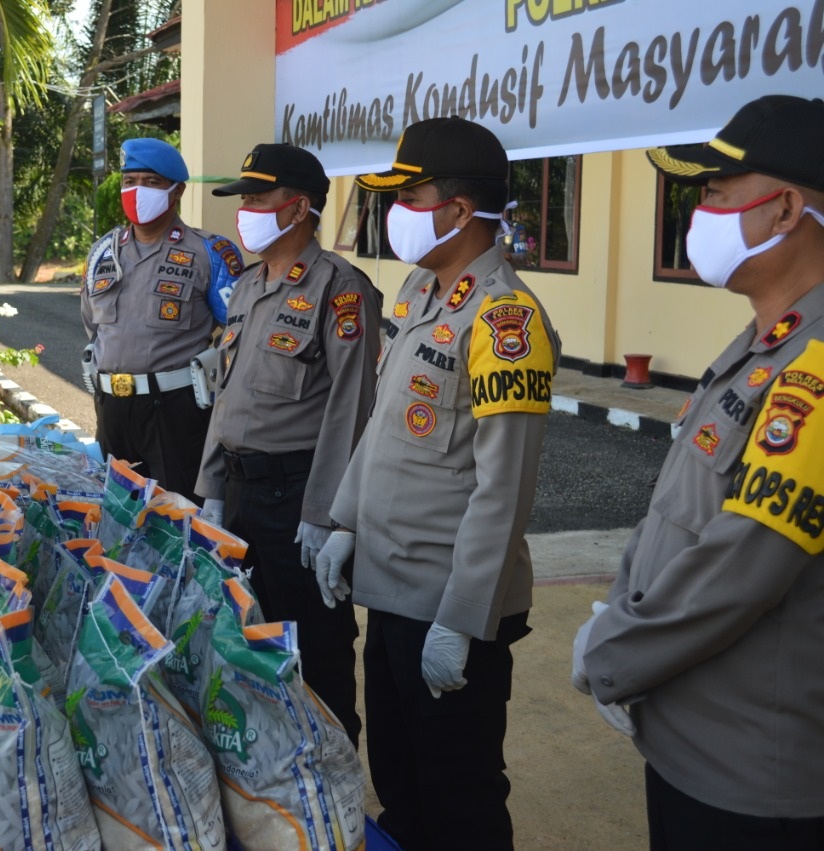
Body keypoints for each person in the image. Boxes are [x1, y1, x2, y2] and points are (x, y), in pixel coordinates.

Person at [573, 95, 824, 850]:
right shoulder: (764, 344)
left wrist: (612, 652)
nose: (700, 210)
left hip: (751, 777)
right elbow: (676, 512)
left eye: (717, 192)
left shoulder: (815, 360)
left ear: (784, 210)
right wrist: (622, 614)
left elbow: (745, 563)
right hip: (690, 738)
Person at [316, 116, 560, 851]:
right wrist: (346, 523)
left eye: (410, 195)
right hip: (391, 593)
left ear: (456, 211)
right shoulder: (424, 292)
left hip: (447, 607)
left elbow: (503, 485)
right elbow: (386, 426)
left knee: (460, 800)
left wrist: (464, 615)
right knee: (400, 783)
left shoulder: (506, 317)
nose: (397, 211)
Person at [195, 142, 381, 746]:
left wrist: (326, 513)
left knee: (317, 660)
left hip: (297, 500)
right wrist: (212, 493)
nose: (243, 210)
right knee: (251, 648)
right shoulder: (248, 287)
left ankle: (333, 789)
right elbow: (228, 399)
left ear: (298, 208)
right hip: (243, 496)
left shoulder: (341, 290)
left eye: (256, 198)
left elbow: (350, 410)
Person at [80, 137, 244, 501]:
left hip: (175, 410)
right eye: (129, 181)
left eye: (151, 182)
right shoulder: (103, 252)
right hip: (112, 410)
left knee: (179, 518)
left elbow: (240, 331)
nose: (137, 191)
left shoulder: (209, 253)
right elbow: (94, 326)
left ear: (178, 190)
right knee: (116, 516)